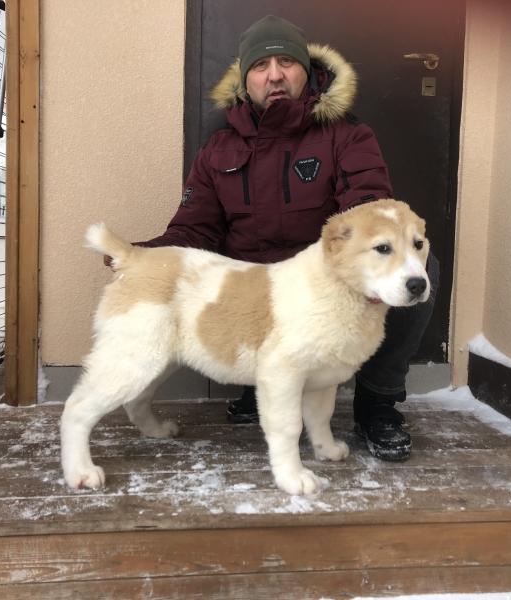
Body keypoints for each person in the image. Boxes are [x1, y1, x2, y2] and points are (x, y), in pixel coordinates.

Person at [125, 15, 439, 461]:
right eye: (261, 65)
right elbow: (194, 229)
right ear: (245, 77)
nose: (274, 75)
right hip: (251, 281)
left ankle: (378, 403)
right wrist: (146, 257)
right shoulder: (218, 147)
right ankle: (258, 386)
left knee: (417, 272)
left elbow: (371, 213)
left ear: (306, 72)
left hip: (310, 280)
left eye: (287, 62)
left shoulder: (347, 135)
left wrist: (386, 251)